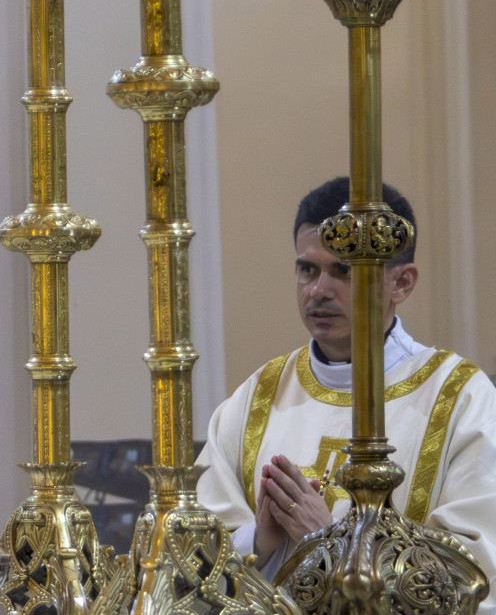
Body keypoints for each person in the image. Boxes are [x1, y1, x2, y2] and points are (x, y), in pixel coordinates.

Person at [198, 178, 496, 589]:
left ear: (402, 282)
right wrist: (259, 540)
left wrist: (331, 544)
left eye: (343, 271)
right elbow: (191, 555)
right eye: (307, 269)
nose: (318, 290)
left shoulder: (460, 398)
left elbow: (477, 570)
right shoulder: (258, 397)